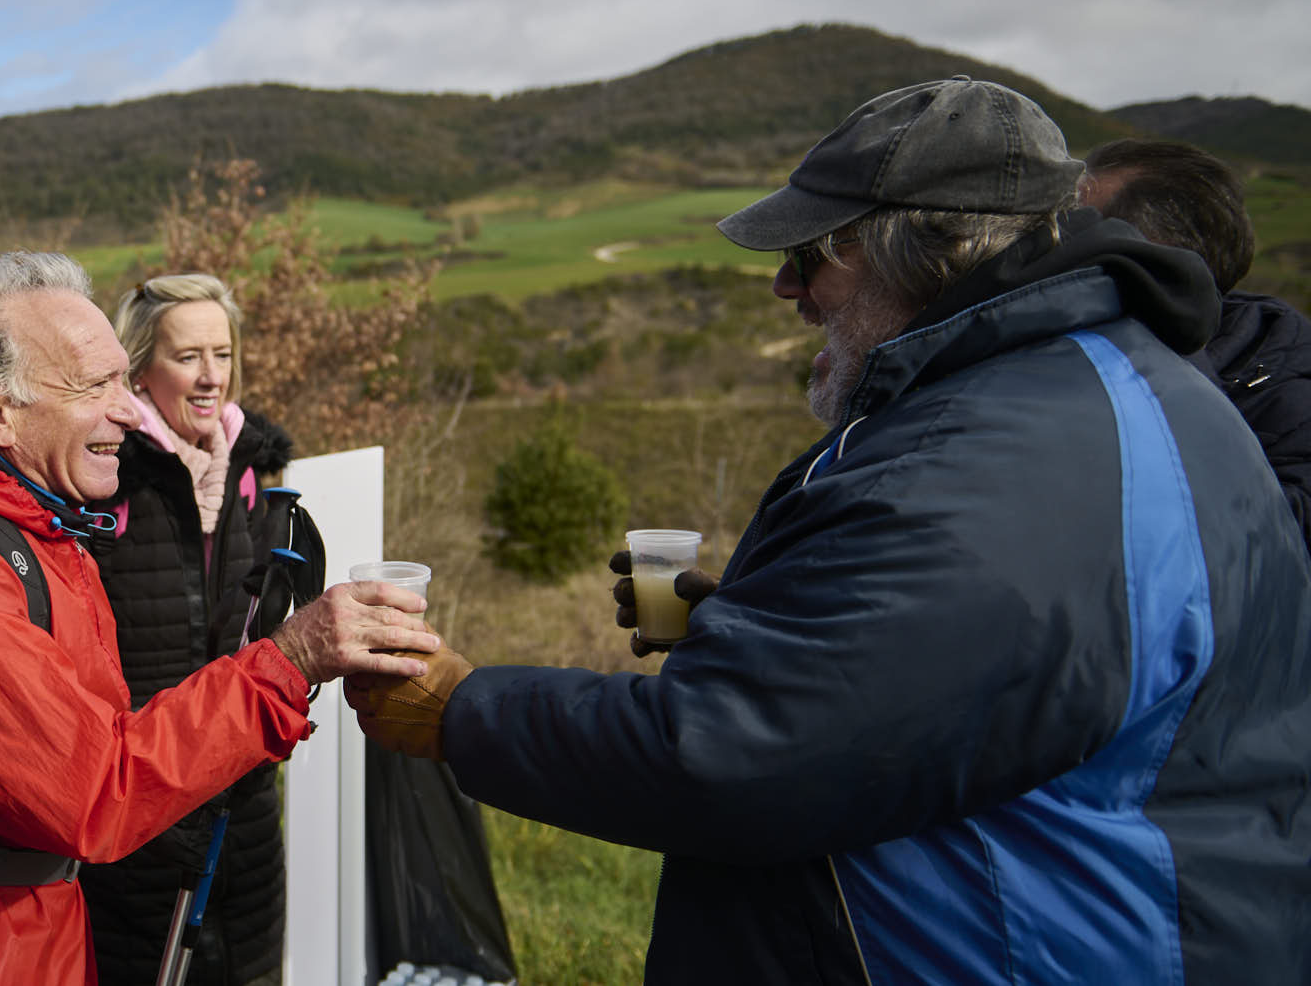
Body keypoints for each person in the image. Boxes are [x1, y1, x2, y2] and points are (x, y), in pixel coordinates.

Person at [348, 78, 1311, 983]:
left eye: (813, 254)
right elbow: (962, 678)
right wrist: (763, 623)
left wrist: (465, 713)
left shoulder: (983, 461)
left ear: (927, 251)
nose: (787, 288)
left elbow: (740, 754)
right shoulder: (1103, 388)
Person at [0, 251, 439, 985]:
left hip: (18, 927)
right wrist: (290, 661)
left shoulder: (26, 519)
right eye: (95, 384)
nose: (128, 411)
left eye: (121, 381)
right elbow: (92, 790)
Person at [78, 274, 293, 986]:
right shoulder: (106, 473)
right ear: (140, 366)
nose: (211, 378)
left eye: (223, 355)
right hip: (140, 791)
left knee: (249, 966)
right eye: (188, 356)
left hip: (243, 791)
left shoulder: (258, 473)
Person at [1080, 138, 1311, 549]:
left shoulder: (1291, 384)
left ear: (1160, 258)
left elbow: (1276, 548)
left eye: (1080, 229)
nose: (1054, 251)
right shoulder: (1074, 351)